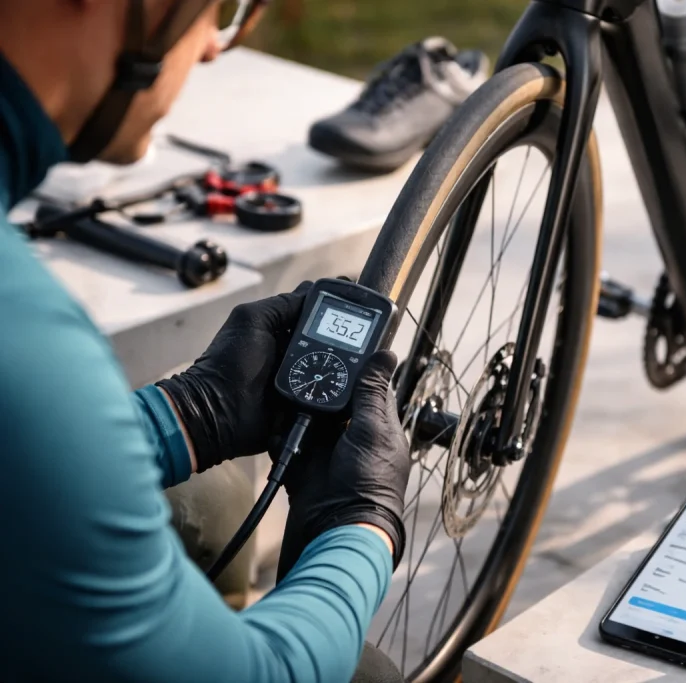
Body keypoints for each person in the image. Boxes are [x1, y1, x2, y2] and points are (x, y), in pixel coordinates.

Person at [0, 2, 411, 682]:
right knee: (367, 672)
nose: (213, 48)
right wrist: (362, 526)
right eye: (214, 9)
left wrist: (189, 413)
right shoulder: (28, 340)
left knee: (214, 493)